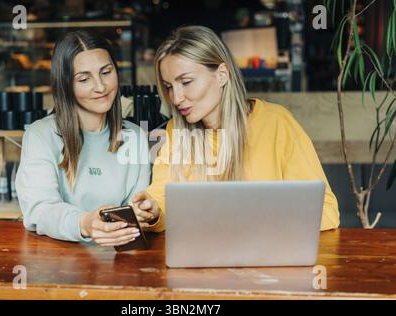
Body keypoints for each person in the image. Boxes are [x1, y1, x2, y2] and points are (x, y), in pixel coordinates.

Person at [132, 25, 340, 232]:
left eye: (186, 82)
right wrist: (153, 210)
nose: (176, 98)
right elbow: (162, 194)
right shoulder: (175, 131)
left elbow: (325, 210)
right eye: (169, 87)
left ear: (222, 74)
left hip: (266, 256)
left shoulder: (276, 123)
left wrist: (259, 224)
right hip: (204, 260)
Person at [16, 30, 150, 245]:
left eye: (106, 72)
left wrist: (145, 214)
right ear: (65, 85)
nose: (100, 86)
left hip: (118, 259)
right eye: (84, 79)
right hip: (59, 262)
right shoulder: (40, 135)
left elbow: (135, 212)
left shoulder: (134, 137)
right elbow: (39, 210)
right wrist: (85, 223)